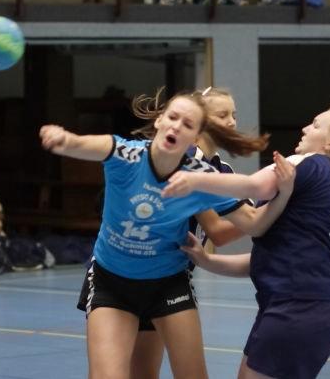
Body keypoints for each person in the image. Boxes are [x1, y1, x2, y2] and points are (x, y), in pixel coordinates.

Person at [40, 89, 295, 379]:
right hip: (111, 281)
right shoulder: (125, 154)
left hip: (168, 284)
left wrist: (285, 194)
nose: (176, 126)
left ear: (196, 135)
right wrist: (63, 140)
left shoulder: (202, 177)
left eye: (187, 124)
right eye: (172, 117)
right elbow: (81, 144)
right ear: (160, 120)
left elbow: (254, 223)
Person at [166, 105, 330, 379]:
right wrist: (207, 260)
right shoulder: (327, 180)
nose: (305, 128)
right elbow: (266, 259)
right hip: (302, 305)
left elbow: (253, 186)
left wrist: (193, 177)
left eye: (315, 125)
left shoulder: (308, 162)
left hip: (297, 307)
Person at [122, 87, 253, 379]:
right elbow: (218, 232)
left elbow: (240, 221)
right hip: (137, 273)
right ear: (200, 120)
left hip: (169, 277)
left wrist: (258, 211)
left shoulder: (221, 168)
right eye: (223, 115)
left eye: (233, 114)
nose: (232, 122)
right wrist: (271, 210)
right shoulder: (186, 160)